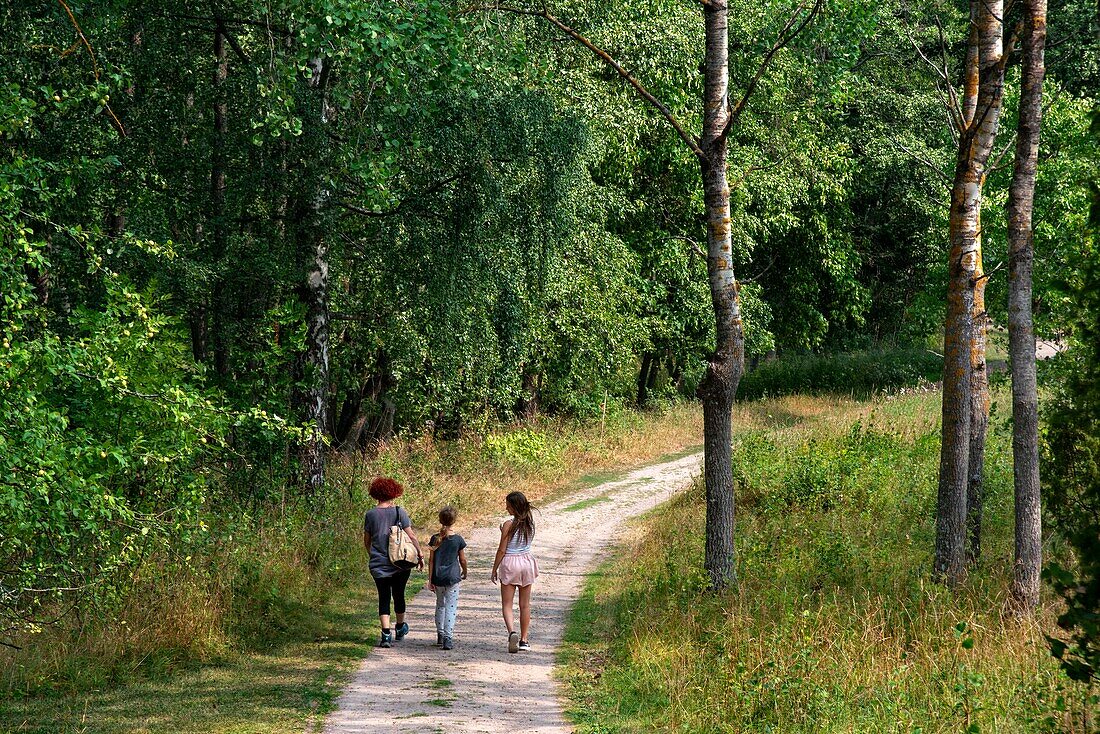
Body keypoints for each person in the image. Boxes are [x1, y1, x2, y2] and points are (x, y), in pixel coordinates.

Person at [362, 476, 424, 648]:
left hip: (378, 564)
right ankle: (400, 627)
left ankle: (385, 634)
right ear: (393, 493)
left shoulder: (370, 515)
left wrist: (373, 554)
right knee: (399, 594)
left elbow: (367, 540)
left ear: (376, 494)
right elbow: (411, 535)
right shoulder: (399, 511)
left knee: (383, 597)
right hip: (400, 563)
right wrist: (420, 554)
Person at [490, 491, 539, 653]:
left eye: (508, 505)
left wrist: (494, 569)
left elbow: (502, 550)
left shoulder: (508, 524)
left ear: (514, 507)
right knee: (525, 605)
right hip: (526, 562)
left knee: (507, 604)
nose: (506, 508)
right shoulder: (529, 523)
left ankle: (512, 632)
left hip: (510, 563)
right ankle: (524, 640)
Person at [425, 506, 468, 651]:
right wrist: (465, 571)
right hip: (452, 578)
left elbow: (431, 561)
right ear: (454, 521)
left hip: (438, 577)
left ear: (440, 520)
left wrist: (430, 579)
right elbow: (462, 559)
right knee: (451, 606)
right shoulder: (458, 540)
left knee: (440, 605)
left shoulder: (435, 539)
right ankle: (448, 638)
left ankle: (440, 634)